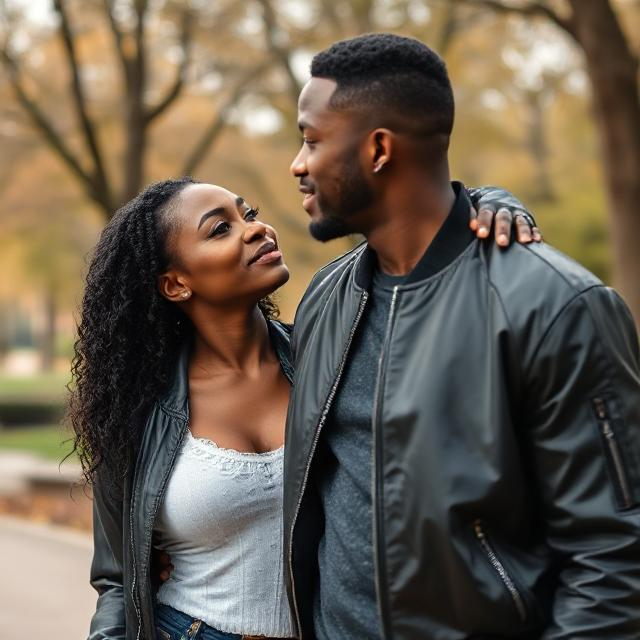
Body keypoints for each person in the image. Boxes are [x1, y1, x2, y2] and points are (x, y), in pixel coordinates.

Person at [283, 33, 640, 640]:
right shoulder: (325, 299)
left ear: (378, 150)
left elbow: (615, 559)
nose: (298, 164)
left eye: (311, 140)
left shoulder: (555, 306)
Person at [73, 176, 533, 639]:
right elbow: (117, 580)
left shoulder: (328, 361)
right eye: (220, 229)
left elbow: (410, 229)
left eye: (248, 214)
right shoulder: (138, 410)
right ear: (175, 284)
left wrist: (490, 202)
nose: (256, 229)